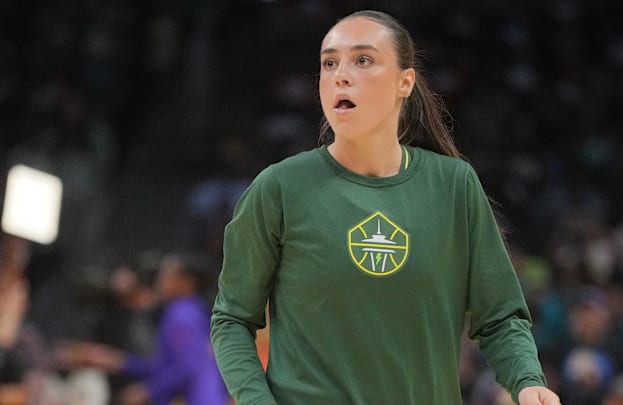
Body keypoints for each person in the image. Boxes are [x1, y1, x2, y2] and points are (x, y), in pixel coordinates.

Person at [211, 9, 561, 405]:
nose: (341, 73)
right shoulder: (279, 188)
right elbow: (232, 319)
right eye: (329, 63)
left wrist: (527, 380)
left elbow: (499, 317)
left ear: (404, 82)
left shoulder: (454, 186)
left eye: (363, 60)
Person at [77, 253, 228, 405]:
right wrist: (121, 362)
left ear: (187, 282)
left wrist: (148, 390)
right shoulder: (188, 310)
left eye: (167, 274)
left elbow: (188, 367)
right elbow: (166, 366)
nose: (160, 279)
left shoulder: (183, 314)